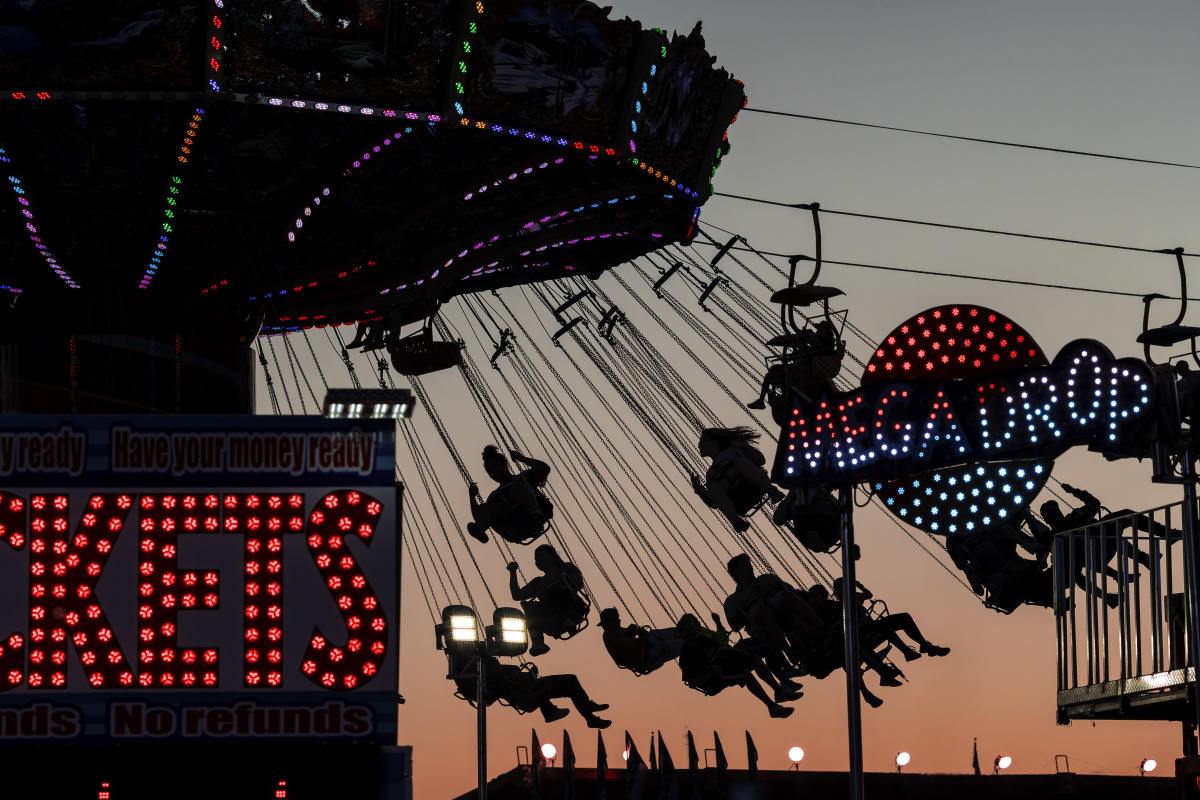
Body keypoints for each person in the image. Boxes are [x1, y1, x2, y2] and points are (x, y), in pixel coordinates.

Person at [675, 613, 800, 718]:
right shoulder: (687, 654)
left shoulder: (703, 639)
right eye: (688, 630)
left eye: (692, 627)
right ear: (683, 634)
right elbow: (691, 681)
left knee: (755, 658)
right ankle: (772, 707)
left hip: (726, 665)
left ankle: (779, 691)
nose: (692, 631)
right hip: (715, 679)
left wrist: (741, 653)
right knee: (745, 674)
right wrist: (711, 675)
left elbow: (722, 648)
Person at [722, 553, 825, 665]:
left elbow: (790, 591)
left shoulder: (766, 579)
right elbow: (735, 626)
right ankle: (790, 652)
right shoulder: (732, 601)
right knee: (762, 612)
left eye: (749, 564)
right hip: (759, 623)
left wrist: (777, 589)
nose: (750, 567)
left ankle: (822, 629)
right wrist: (745, 610)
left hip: (778, 607)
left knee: (787, 596)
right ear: (736, 572)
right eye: (745, 565)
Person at [464, 654, 611, 728]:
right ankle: (583, 713)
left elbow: (518, 680)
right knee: (570, 681)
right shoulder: (500, 685)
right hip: (532, 693)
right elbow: (523, 701)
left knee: (571, 681)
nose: (496, 663)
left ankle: (587, 714)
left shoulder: (502, 675)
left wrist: (530, 675)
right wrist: (544, 689)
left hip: (533, 686)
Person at [832, 578, 950, 660]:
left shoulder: (854, 597)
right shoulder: (840, 606)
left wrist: (858, 585)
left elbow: (869, 595)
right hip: (867, 632)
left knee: (905, 618)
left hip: (872, 628)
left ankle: (925, 645)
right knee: (903, 618)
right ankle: (913, 649)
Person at [691, 428, 784, 532]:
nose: (699, 445)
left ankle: (771, 491)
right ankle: (736, 521)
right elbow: (714, 502)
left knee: (738, 462)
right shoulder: (711, 473)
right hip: (738, 500)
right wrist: (699, 490)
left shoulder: (733, 451)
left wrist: (743, 446)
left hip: (754, 485)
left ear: (714, 442)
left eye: (702, 442)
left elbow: (760, 460)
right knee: (713, 485)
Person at [508, 545, 588, 656]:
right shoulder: (538, 582)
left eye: (541, 556)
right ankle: (538, 643)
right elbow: (517, 595)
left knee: (555, 591)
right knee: (529, 606)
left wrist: (563, 583)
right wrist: (513, 572)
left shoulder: (566, 568)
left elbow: (579, 583)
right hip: (552, 616)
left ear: (552, 556)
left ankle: (567, 619)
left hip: (574, 608)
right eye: (536, 558)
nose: (537, 560)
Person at [467, 446, 553, 544]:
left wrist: (521, 458)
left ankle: (536, 513)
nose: (493, 472)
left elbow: (544, 469)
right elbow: (479, 515)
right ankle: (480, 530)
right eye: (489, 471)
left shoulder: (523, 477)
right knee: (489, 507)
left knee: (516, 486)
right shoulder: (494, 495)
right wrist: (472, 498)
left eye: (494, 467)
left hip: (530, 516)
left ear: (504, 464)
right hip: (512, 527)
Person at [598, 607, 683, 674]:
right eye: (617, 619)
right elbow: (635, 648)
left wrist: (635, 631)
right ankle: (690, 641)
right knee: (681, 644)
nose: (619, 621)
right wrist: (641, 636)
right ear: (610, 622)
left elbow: (630, 637)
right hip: (649, 657)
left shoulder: (615, 631)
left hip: (649, 647)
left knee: (665, 633)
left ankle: (685, 630)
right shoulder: (611, 637)